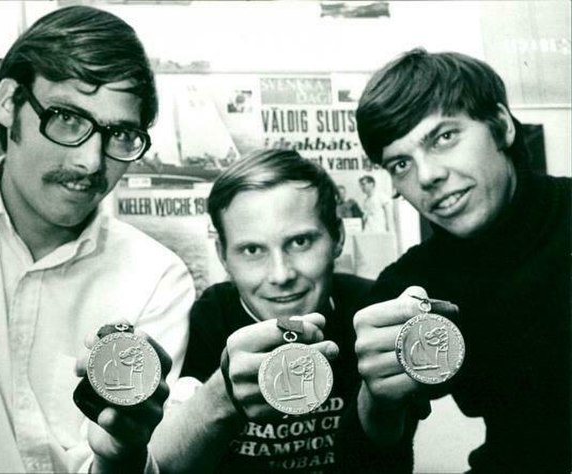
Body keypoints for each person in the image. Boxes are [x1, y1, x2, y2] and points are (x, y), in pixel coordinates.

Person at [0, 6, 195, 473]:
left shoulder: (157, 277)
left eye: (120, 134)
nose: (91, 162)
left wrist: (122, 454)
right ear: (9, 102)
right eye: (68, 120)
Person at [340, 48, 571, 472]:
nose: (426, 175)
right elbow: (360, 464)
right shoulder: (410, 285)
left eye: (443, 137)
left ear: (501, 126)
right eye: (401, 162)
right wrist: (377, 400)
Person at [149, 149, 412, 473]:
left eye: (300, 242)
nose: (281, 275)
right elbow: (163, 466)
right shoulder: (209, 317)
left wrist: (382, 404)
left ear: (338, 238)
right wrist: (222, 395)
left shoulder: (372, 308)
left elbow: (389, 462)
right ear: (222, 255)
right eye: (252, 250)